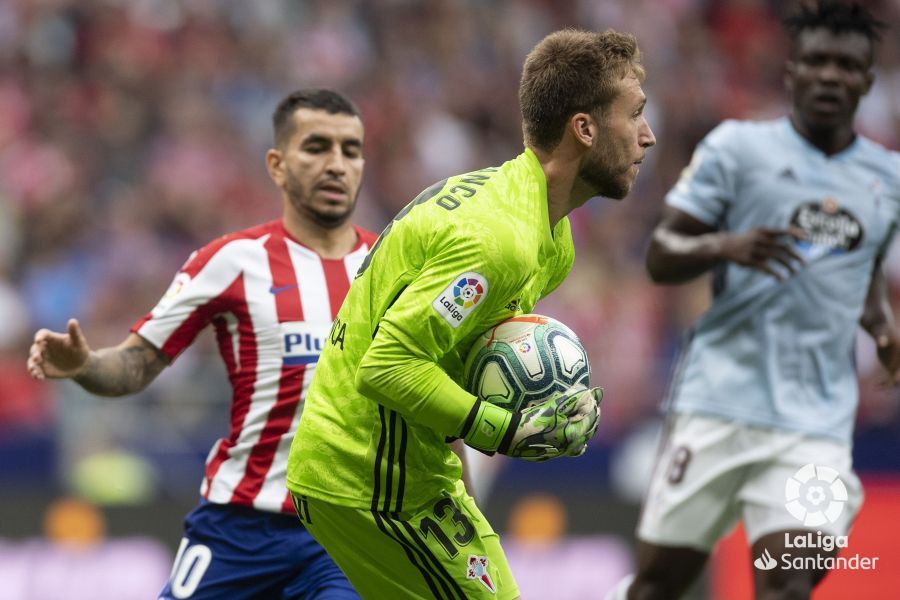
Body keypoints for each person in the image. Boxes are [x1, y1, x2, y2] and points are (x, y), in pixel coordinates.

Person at [285, 28, 655, 599]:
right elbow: (386, 367)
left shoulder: (549, 238)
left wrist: (467, 495)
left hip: (416, 474)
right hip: (366, 475)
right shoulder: (497, 240)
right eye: (635, 115)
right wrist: (504, 428)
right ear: (584, 129)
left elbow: (452, 361)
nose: (648, 136)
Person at [26, 88, 377, 599]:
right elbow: (136, 364)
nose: (337, 164)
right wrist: (84, 365)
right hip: (239, 527)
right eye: (317, 147)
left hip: (345, 531)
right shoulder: (232, 261)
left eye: (351, 150)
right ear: (277, 165)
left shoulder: (393, 270)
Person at [608, 2, 899, 599]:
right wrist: (728, 244)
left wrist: (883, 326)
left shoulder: (886, 179)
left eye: (847, 65)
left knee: (788, 585)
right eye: (817, 61)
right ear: (792, 70)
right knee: (659, 586)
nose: (830, 75)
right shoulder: (737, 150)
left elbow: (861, 264)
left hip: (813, 424)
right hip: (718, 402)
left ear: (868, 80)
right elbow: (661, 253)